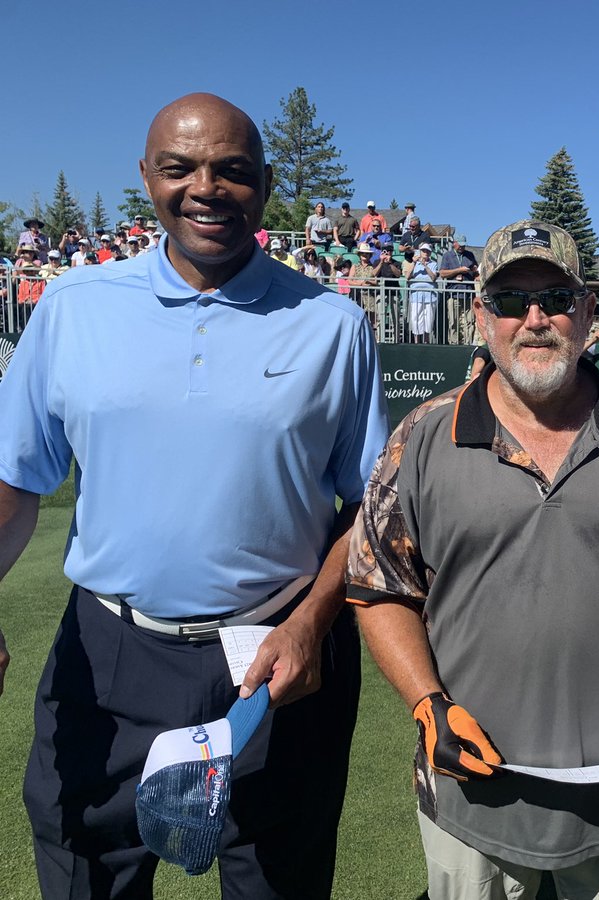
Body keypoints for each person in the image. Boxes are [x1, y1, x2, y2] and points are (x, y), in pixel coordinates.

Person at [0, 92, 389, 899]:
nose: (205, 187)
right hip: (111, 652)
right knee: (85, 870)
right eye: (180, 168)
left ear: (266, 184)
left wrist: (315, 622)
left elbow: (365, 508)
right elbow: (15, 482)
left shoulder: (333, 323)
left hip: (279, 657)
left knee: (278, 878)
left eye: (232, 171)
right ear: (147, 178)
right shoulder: (74, 309)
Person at [347, 218, 599, 900]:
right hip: (473, 795)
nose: (534, 319)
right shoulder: (423, 436)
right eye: (510, 300)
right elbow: (380, 590)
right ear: (480, 315)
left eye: (555, 299)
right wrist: (427, 703)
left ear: (586, 311)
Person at [438, 233, 479, 342]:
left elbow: (476, 273)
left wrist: (475, 272)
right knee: (453, 321)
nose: (461, 247)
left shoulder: (470, 255)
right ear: (454, 243)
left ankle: (468, 343)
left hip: (469, 294)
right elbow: (442, 273)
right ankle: (454, 344)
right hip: (453, 294)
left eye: (463, 245)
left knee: (469, 321)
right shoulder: (447, 255)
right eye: (459, 245)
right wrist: (459, 270)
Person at [407, 242, 439, 343]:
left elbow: (433, 278)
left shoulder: (434, 264)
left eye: (427, 251)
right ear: (420, 252)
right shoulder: (414, 263)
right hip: (416, 295)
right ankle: (416, 342)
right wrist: (414, 263)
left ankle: (426, 342)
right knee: (416, 319)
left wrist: (425, 266)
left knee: (428, 320)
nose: (425, 253)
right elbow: (407, 277)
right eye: (423, 251)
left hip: (430, 296)